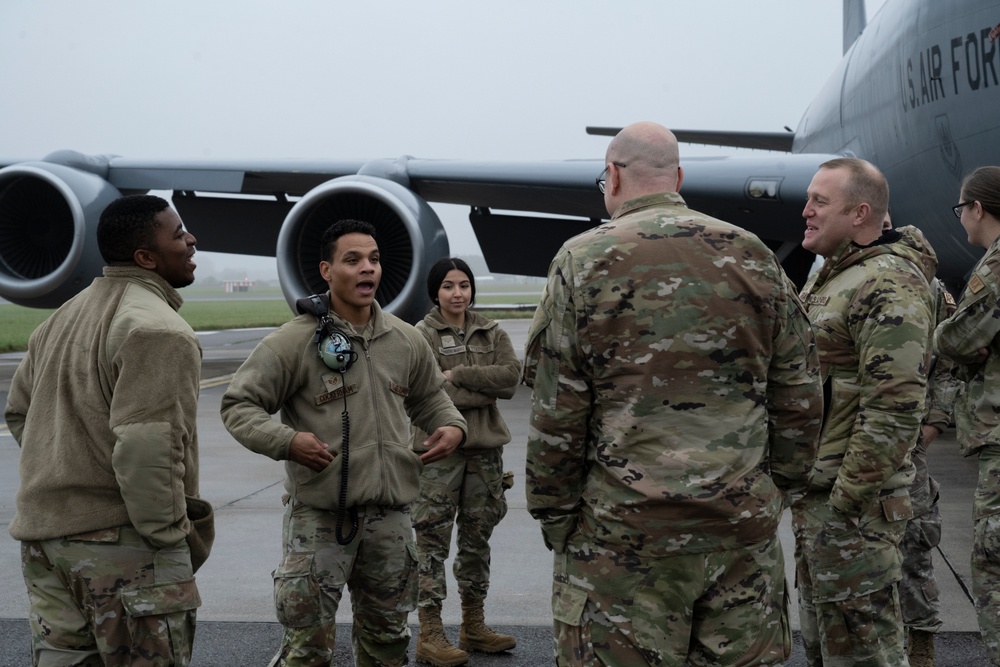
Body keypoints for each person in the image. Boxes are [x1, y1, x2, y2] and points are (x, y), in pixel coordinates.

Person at [523, 121, 823, 666]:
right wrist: (774, 491)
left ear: (611, 176)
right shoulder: (754, 256)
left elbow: (557, 411)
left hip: (622, 539)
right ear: (678, 176)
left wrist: (555, 514)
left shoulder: (581, 260)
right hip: (738, 534)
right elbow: (798, 396)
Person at [220, 219, 467, 667]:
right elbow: (239, 406)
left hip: (390, 520)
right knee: (308, 647)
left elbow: (432, 399)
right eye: (352, 260)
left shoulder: (405, 339)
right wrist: (287, 440)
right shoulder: (294, 341)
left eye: (373, 259)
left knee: (388, 643)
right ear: (326, 270)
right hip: (320, 521)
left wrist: (452, 426)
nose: (367, 268)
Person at [4, 194, 211, 666]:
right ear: (145, 257)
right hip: (122, 548)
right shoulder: (159, 330)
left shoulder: (58, 320)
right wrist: (169, 538)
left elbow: (20, 415)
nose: (191, 239)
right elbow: (146, 449)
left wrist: (70, 467)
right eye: (178, 233)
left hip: (46, 545)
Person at [795, 157, 936, 666]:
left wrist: (846, 501)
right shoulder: (838, 276)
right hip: (823, 502)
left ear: (859, 213)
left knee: (862, 653)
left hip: (851, 511)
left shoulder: (886, 283)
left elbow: (895, 407)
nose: (806, 211)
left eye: (819, 202)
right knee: (827, 648)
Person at [411, 257, 521, 666]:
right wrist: (481, 388)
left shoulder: (491, 331)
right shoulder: (420, 334)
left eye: (464, 285)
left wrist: (456, 377)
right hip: (439, 451)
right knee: (431, 543)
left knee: (477, 542)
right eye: (448, 286)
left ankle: (473, 625)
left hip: (485, 453)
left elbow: (511, 378)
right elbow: (422, 391)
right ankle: (430, 633)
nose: (457, 293)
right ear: (435, 292)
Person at [933, 165, 1000, 666]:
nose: (961, 221)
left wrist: (946, 337)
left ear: (978, 208)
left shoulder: (995, 268)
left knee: (993, 567)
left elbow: (957, 339)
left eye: (962, 210)